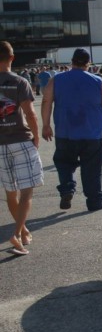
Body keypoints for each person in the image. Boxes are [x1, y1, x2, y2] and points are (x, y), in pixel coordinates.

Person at [41, 48, 102, 212]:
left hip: (65, 132)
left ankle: (67, 189)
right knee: (92, 168)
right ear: (88, 63)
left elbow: (46, 101)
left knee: (64, 163)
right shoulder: (99, 82)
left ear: (72, 62)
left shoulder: (56, 80)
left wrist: (46, 125)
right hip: (92, 133)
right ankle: (95, 201)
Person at [0, 42, 43, 255]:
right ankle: (17, 234)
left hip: (1, 144)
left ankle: (24, 231)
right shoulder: (19, 82)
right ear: (12, 58)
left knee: (11, 192)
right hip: (20, 139)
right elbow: (30, 113)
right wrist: (36, 136)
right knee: (26, 191)